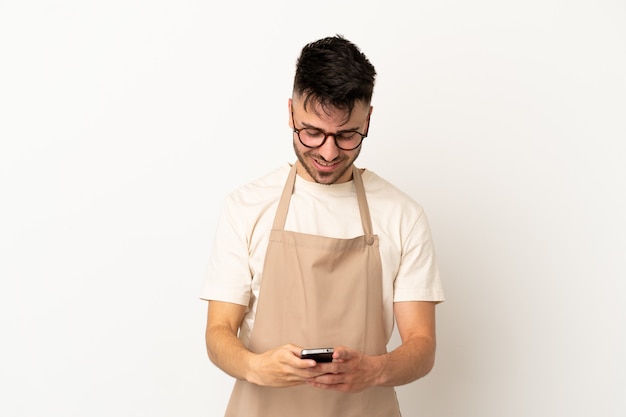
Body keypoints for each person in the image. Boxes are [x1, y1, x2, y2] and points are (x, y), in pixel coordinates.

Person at [201, 35, 445, 417]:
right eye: (312, 132)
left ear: (368, 120)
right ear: (290, 113)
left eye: (347, 135)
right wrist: (256, 366)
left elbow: (422, 344)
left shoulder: (402, 214)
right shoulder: (246, 207)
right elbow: (218, 333)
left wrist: (374, 369)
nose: (329, 153)